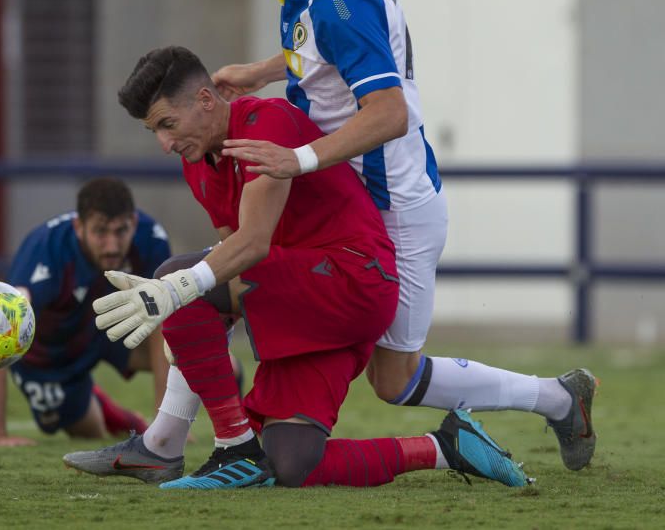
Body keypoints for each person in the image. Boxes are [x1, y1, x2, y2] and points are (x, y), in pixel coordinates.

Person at [213, 0, 596, 472]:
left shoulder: (342, 0)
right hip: (350, 207)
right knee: (234, 277)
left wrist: (299, 159)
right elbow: (325, 52)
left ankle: (556, 397)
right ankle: (183, 437)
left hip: (393, 210)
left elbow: (388, 113)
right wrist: (260, 72)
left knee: (393, 379)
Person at [64, 46, 530, 490]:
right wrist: (193, 326)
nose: (164, 143)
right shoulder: (198, 161)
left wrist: (177, 295)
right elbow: (231, 254)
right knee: (293, 462)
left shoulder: (264, 123)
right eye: (155, 132)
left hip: (351, 280)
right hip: (302, 295)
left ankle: (219, 447)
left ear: (205, 100)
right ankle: (446, 447)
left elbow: (250, 245)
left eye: (167, 124)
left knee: (178, 275)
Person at [0, 177, 171, 446]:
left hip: (110, 328)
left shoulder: (151, 240)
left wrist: (166, 425)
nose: (112, 245)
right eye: (101, 232)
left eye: (121, 231)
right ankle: (121, 417)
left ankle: (235, 434)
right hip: (52, 354)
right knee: (88, 431)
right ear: (79, 227)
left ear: (134, 223)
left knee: (211, 362)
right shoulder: (44, 252)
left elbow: (163, 323)